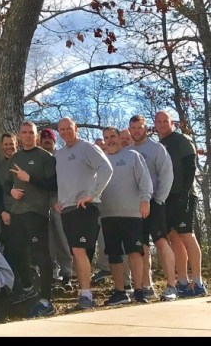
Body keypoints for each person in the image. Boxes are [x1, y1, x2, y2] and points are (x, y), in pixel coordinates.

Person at [55, 116, 113, 311]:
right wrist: (59, 200)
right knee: (77, 252)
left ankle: (87, 296)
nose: (65, 132)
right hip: (67, 209)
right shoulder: (59, 154)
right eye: (61, 129)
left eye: (68, 128)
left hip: (85, 207)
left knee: (79, 250)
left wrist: (92, 194)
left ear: (76, 128)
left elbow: (106, 168)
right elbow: (61, 181)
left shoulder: (88, 147)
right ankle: (84, 294)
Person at [2, 121, 58, 318]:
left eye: (31, 133)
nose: (27, 135)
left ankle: (46, 299)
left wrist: (30, 179)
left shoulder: (45, 157)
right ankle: (28, 288)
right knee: (15, 251)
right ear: (19, 135)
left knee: (41, 255)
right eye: (24, 132)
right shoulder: (14, 158)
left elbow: (54, 184)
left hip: (37, 213)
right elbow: (6, 184)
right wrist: (11, 191)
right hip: (17, 213)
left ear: (36, 136)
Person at [154, 110, 206, 297]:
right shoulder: (159, 145)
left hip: (184, 195)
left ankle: (198, 281)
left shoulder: (181, 139)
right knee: (174, 237)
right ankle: (183, 281)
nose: (162, 124)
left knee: (186, 235)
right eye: (158, 121)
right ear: (155, 125)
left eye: (165, 121)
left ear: (172, 123)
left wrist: (184, 191)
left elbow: (190, 165)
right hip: (166, 197)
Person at [99, 126, 153, 305]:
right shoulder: (101, 160)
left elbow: (145, 180)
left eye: (112, 136)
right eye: (106, 137)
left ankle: (139, 291)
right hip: (108, 215)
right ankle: (120, 292)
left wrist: (145, 200)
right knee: (113, 255)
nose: (110, 140)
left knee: (135, 252)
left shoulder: (132, 156)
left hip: (132, 214)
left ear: (119, 137)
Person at [128, 114, 178, 301]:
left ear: (146, 128)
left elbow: (167, 175)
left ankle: (172, 286)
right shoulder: (128, 151)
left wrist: (158, 200)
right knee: (141, 247)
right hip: (135, 207)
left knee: (161, 242)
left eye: (139, 127)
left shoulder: (157, 148)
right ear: (130, 130)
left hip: (155, 204)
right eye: (133, 128)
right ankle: (146, 287)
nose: (136, 131)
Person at [40, 128, 73, 289]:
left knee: (63, 238)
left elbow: (67, 179)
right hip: (42, 201)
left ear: (54, 140)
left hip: (60, 200)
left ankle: (67, 273)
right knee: (48, 240)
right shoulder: (38, 157)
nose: (47, 140)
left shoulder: (61, 156)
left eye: (50, 138)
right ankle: (52, 273)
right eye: (44, 138)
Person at [0, 133, 16, 250]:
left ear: (16, 144)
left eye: (11, 144)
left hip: (26, 210)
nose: (9, 147)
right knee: (9, 247)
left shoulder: (24, 161)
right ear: (2, 145)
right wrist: (2, 212)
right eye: (6, 144)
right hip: (7, 211)